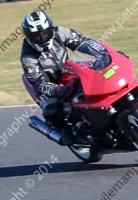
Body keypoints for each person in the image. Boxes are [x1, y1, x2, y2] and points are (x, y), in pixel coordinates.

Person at [20, 10, 92, 145]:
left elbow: (84, 42)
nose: (42, 38)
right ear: (28, 36)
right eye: (36, 36)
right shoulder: (28, 57)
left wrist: (107, 53)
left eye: (45, 33)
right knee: (52, 110)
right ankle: (64, 132)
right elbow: (38, 83)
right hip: (48, 85)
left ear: (51, 28)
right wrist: (58, 89)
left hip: (68, 71)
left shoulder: (60, 32)